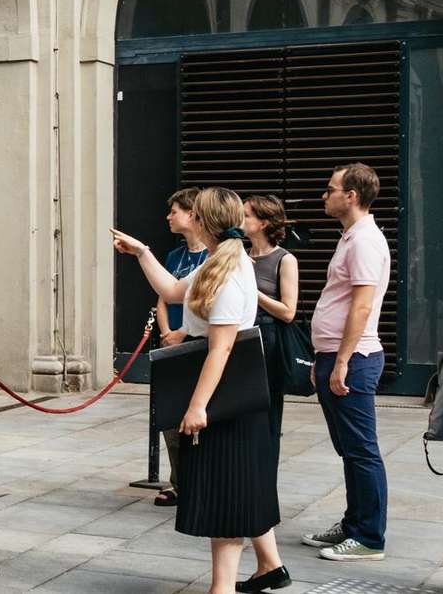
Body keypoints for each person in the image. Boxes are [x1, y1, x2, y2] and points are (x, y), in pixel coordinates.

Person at [115, 188, 286, 594]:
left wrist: (197, 406)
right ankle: (259, 569)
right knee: (237, 487)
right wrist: (141, 253)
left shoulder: (227, 271)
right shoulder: (216, 262)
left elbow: (222, 346)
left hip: (223, 392)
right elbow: (173, 292)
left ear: (203, 221)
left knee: (227, 490)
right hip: (222, 389)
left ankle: (221, 589)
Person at [303, 162, 390, 562]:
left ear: (351, 195)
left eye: (330, 188)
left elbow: (362, 304)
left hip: (353, 358)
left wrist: (341, 361)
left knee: (361, 449)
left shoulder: (364, 241)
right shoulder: (351, 237)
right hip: (335, 356)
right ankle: (354, 522)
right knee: (349, 449)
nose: (326, 195)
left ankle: (369, 537)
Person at [155, 187, 210, 508]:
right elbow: (163, 297)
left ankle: (202, 479)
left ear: (192, 214)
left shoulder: (213, 257)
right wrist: (167, 332)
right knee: (170, 416)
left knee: (198, 414)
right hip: (172, 343)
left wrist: (184, 333)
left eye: (174, 211)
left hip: (196, 342)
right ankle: (179, 482)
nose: (169, 217)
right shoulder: (175, 256)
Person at [245, 195, 300, 444]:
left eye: (246, 215)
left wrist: (252, 291)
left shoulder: (285, 260)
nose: (240, 220)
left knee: (266, 410)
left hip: (268, 340)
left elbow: (288, 311)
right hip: (240, 335)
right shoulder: (241, 255)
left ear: (264, 223)